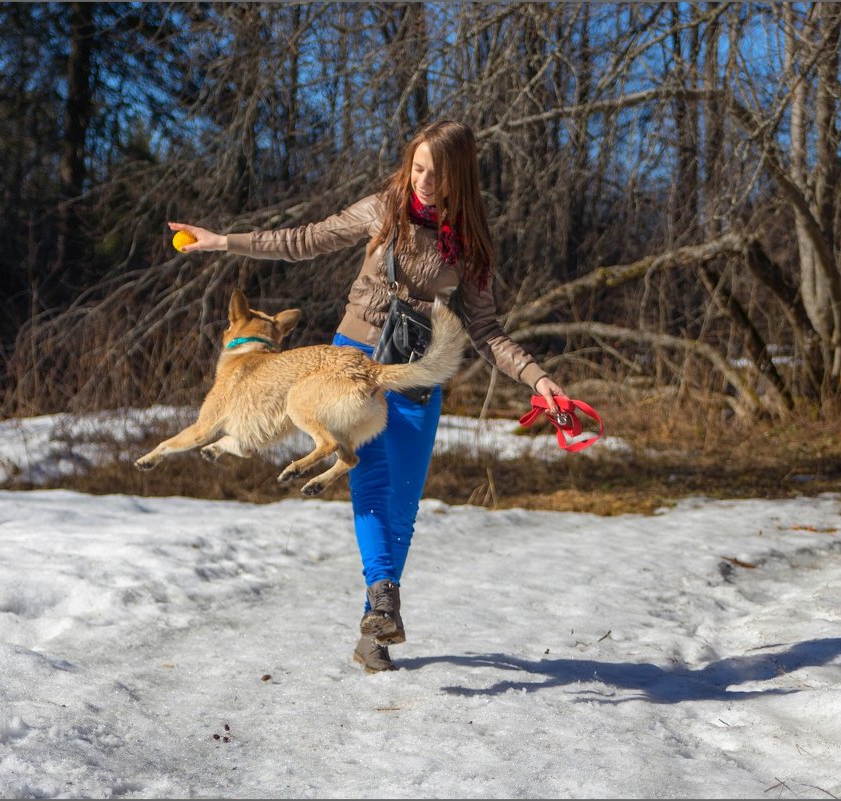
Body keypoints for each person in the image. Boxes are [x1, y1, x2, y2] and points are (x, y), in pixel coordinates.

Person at [168, 120, 566, 674]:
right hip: (350, 366)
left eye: (436, 173)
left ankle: (374, 630)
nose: (422, 182)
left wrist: (539, 379)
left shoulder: (472, 248)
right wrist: (222, 241)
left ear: (460, 178)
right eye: (418, 167)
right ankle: (383, 599)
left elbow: (486, 330)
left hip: (416, 377)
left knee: (402, 507)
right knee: (373, 487)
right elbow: (304, 240)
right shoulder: (384, 209)